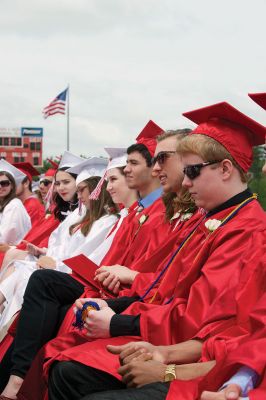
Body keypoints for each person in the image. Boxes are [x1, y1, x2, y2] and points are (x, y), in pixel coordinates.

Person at [41, 101, 266, 400]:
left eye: (193, 172)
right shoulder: (213, 221)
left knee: (74, 373)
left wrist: (128, 329)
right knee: (68, 366)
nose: (185, 181)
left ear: (225, 168)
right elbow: (166, 290)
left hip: (204, 360)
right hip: (183, 342)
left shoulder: (246, 230)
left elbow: (208, 324)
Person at [0, 157, 118, 331]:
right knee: (18, 265)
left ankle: (8, 328)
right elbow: (63, 248)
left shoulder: (105, 221)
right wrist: (44, 253)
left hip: (73, 277)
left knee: (24, 272)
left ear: (95, 190)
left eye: (80, 190)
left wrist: (54, 263)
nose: (78, 196)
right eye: (58, 183)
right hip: (59, 268)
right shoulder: (81, 217)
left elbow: (85, 260)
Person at [0, 160, 31, 247]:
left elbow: (4, 239)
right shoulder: (4, 205)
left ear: (12, 185)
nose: (0, 186)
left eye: (4, 183)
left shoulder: (14, 205)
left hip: (12, 254)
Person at [13, 162, 45, 229]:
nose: (11, 186)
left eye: (15, 182)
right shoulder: (22, 203)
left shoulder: (32, 206)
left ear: (26, 183)